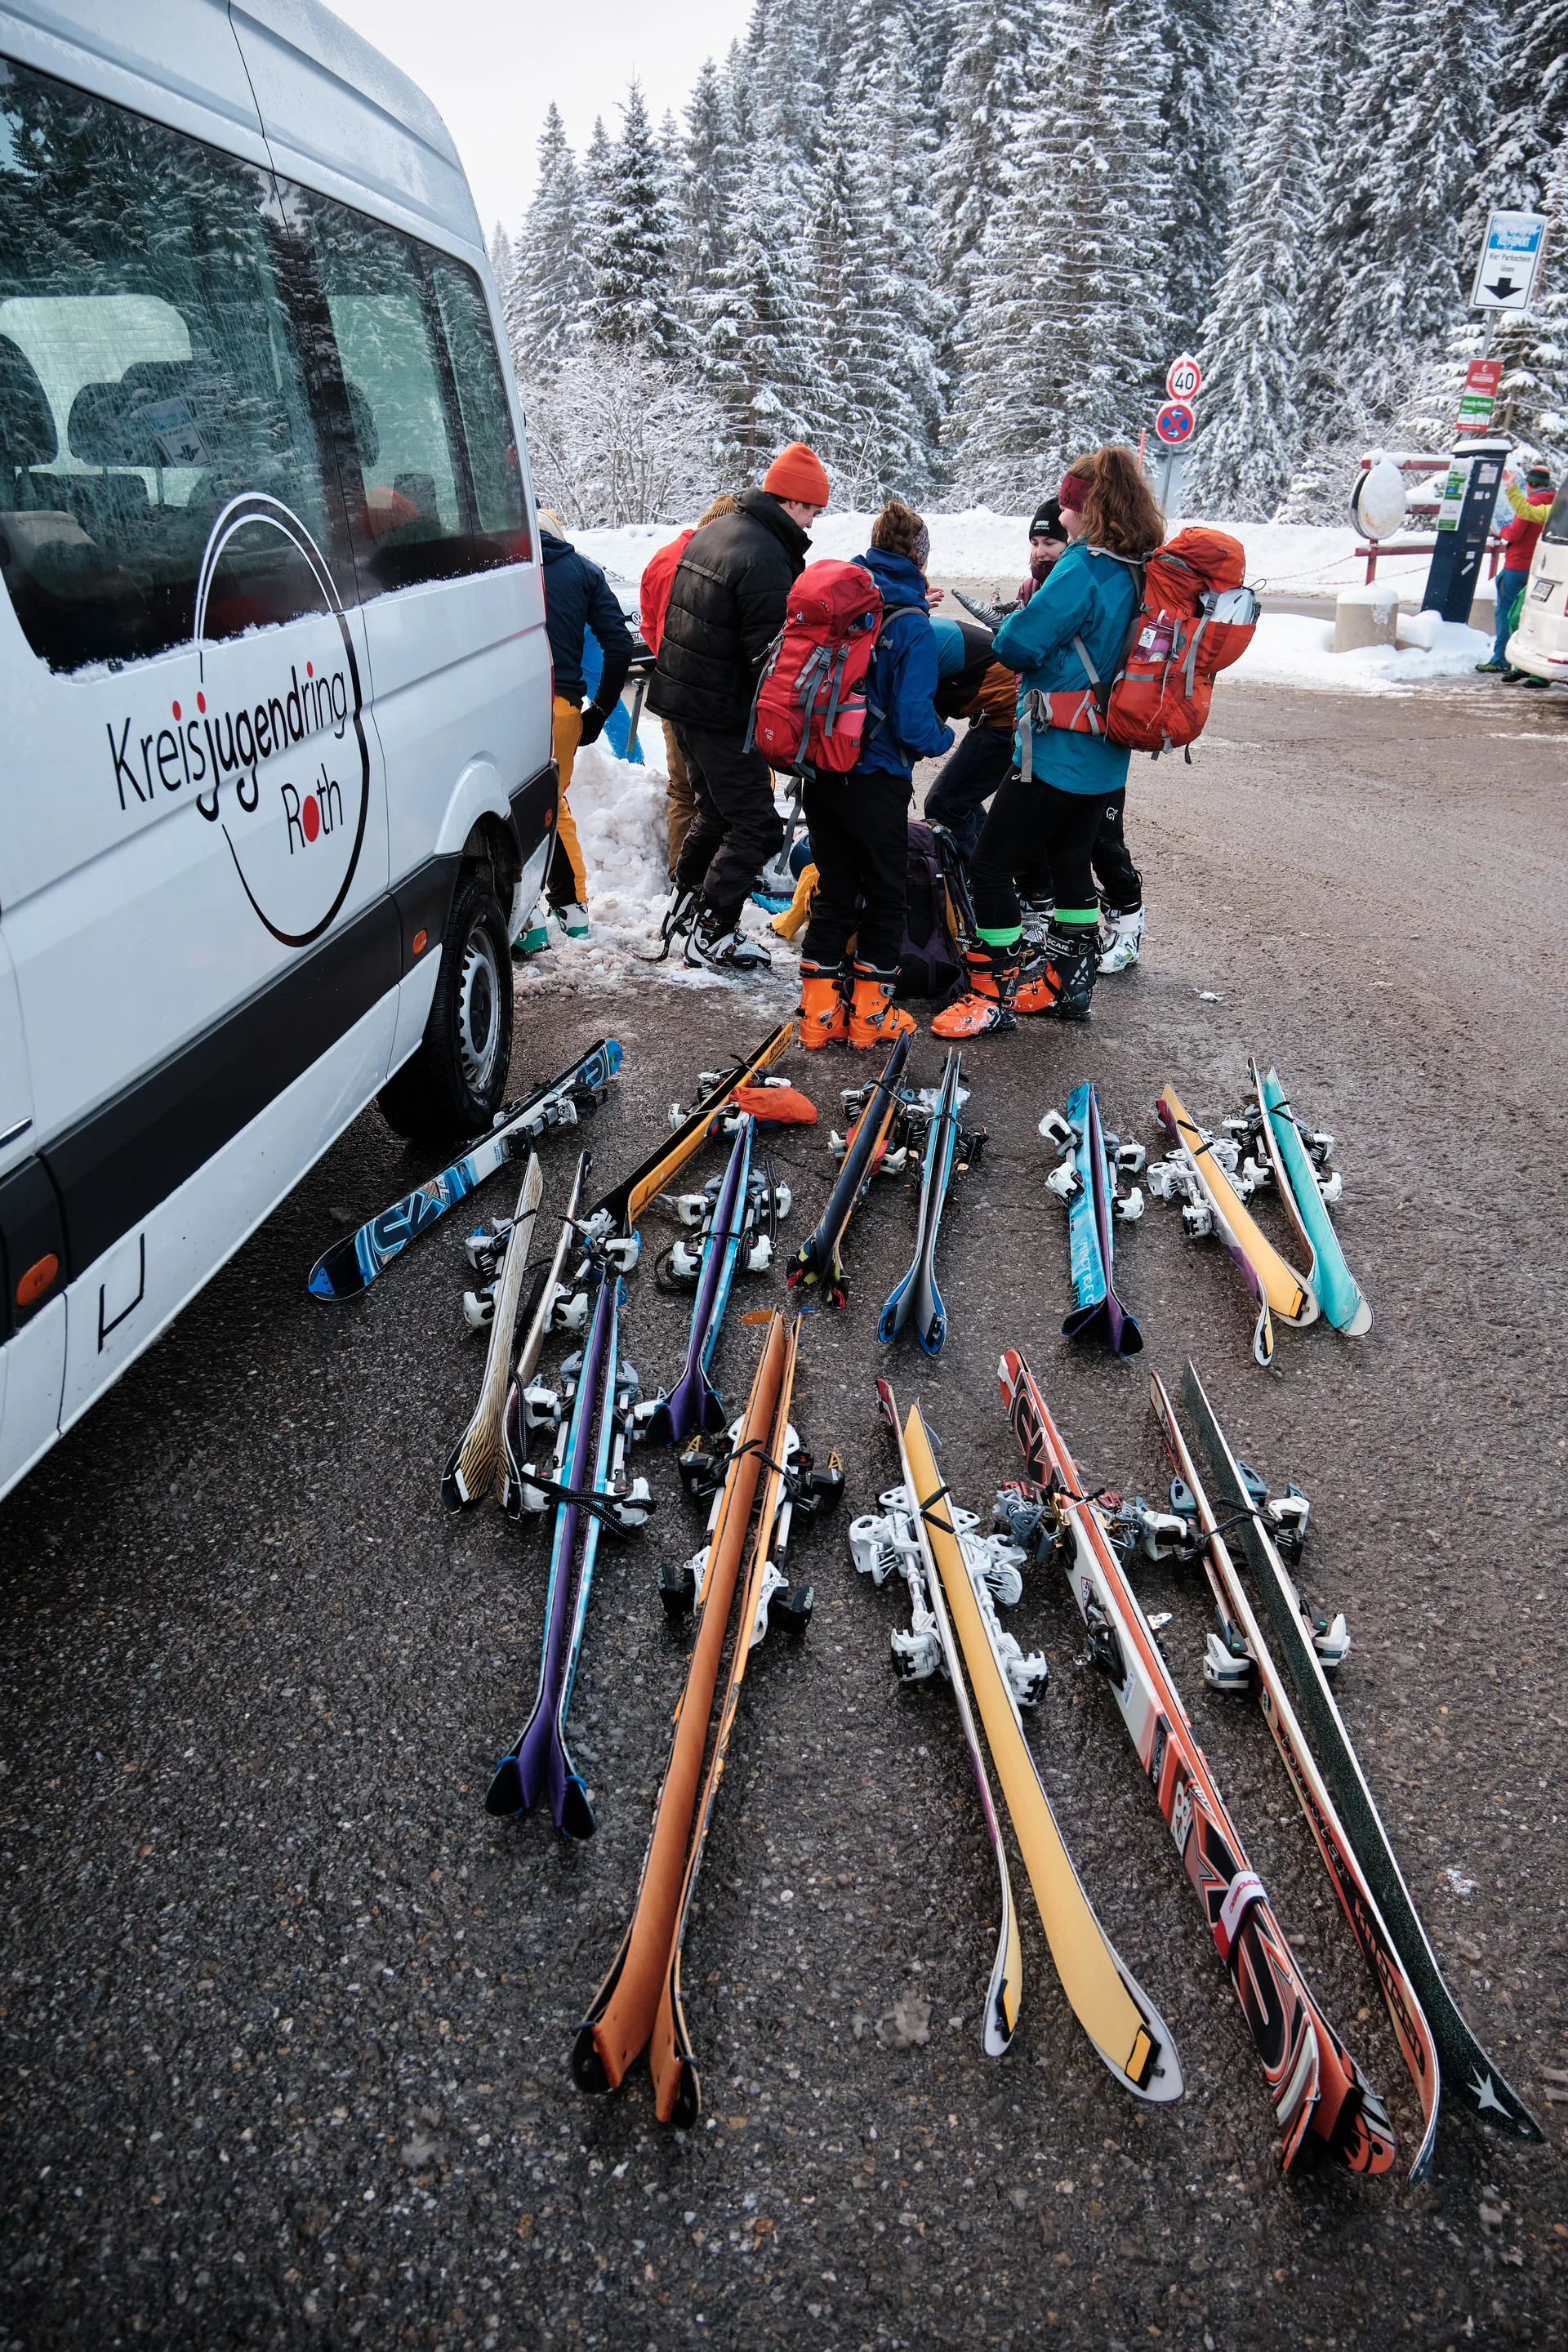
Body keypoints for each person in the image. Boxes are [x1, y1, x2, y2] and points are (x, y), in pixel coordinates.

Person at [933, 448, 1163, 1036]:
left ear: (1083, 505)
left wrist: (1015, 624)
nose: (1062, 518)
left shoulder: (1083, 565)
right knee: (1069, 861)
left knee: (990, 869)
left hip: (1056, 749)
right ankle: (1068, 981)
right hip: (1107, 751)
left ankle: (991, 993)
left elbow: (1016, 647)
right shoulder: (1139, 566)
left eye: (1066, 507)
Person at [648, 441, 831, 973]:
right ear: (792, 502)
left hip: (681, 702)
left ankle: (685, 910)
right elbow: (769, 657)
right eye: (812, 510)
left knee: (715, 812)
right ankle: (714, 931)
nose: (813, 522)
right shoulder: (766, 556)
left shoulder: (715, 533)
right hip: (722, 712)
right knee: (756, 826)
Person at [797, 501, 954, 1049]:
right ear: (919, 556)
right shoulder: (914, 627)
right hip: (876, 777)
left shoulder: (843, 602)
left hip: (820, 769)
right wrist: (946, 736)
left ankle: (817, 1018)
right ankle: (870, 1017)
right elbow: (914, 724)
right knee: (886, 893)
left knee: (835, 888)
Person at [513, 510, 635, 956]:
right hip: (563, 707)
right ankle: (574, 911)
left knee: (510, 813)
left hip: (510, 705)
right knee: (551, 804)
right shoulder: (585, 571)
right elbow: (620, 645)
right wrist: (599, 712)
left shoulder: (504, 567)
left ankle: (527, 921)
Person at [640, 493, 740, 878]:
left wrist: (670, 662)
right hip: (717, 699)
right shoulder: (726, 561)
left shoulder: (662, 559)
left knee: (684, 790)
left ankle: (679, 878)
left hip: (670, 692)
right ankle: (723, 876)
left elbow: (649, 625)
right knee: (731, 795)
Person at [1478, 461, 1555, 678]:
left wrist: (1501, 529)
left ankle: (1503, 659)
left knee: (1508, 613)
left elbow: (1515, 533)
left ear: (1529, 484)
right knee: (1536, 616)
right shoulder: (1557, 505)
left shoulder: (1531, 503)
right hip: (1541, 568)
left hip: (1517, 565)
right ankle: (1535, 670)